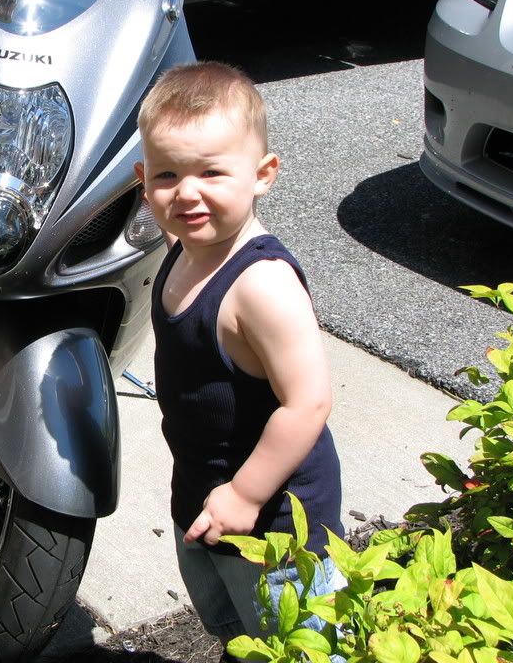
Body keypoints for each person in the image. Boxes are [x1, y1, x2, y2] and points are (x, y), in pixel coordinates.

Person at [133, 61, 346, 656]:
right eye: (168, 174)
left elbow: (308, 403)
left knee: (298, 645)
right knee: (236, 631)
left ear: (262, 175)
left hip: (277, 530)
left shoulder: (261, 284)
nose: (187, 192)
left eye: (211, 172)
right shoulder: (186, 247)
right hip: (204, 499)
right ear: (143, 181)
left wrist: (247, 495)